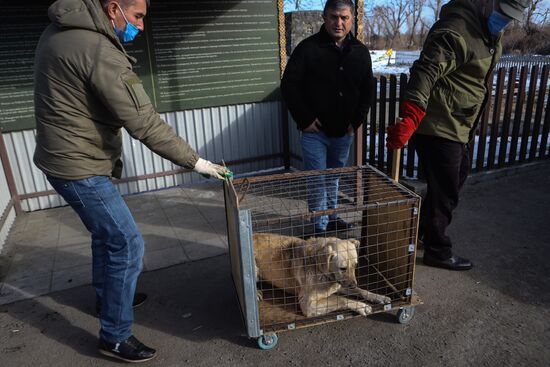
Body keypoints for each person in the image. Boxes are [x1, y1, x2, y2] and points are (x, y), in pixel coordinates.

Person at [33, 0, 231, 362]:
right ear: (113, 9)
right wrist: (196, 161)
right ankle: (115, 335)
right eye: (137, 16)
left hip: (59, 158)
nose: (140, 26)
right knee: (127, 244)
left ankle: (106, 296)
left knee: (104, 235)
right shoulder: (98, 49)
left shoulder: (59, 30)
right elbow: (144, 122)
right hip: (80, 166)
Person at [387, 0, 531, 270]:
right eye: (502, 12)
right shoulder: (456, 29)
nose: (504, 20)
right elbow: (427, 69)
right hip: (439, 125)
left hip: (457, 124)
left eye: (510, 17)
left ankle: (417, 233)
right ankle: (437, 249)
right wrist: (412, 113)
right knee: (446, 191)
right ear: (488, 3)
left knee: (450, 182)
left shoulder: (486, 31)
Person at [281, 0, 374, 234]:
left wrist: (356, 122)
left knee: (333, 178)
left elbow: (368, 90)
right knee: (317, 180)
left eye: (344, 18)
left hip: (344, 133)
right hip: (315, 133)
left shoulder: (361, 53)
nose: (339, 23)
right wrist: (305, 119)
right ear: (324, 17)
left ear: (351, 19)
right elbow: (289, 85)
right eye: (334, 16)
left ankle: (331, 216)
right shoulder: (308, 49)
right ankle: (319, 226)